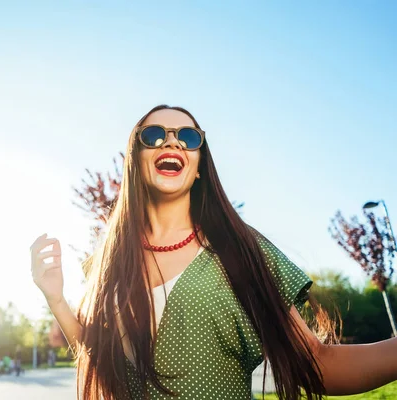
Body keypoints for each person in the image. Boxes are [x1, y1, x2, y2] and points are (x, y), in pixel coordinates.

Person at [30, 105, 397, 400]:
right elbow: (101, 357)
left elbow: (318, 365)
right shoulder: (109, 259)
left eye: (188, 137)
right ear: (135, 159)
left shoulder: (240, 250)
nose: (171, 142)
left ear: (200, 166)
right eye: (154, 135)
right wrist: (57, 300)